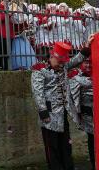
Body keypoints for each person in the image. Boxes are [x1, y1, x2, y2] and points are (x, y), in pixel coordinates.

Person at [31, 37, 94, 170]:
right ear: (52, 56)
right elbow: (38, 93)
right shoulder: (39, 70)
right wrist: (43, 113)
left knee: (66, 145)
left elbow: (77, 59)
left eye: (62, 62)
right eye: (59, 61)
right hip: (49, 116)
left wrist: (87, 46)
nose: (61, 64)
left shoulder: (63, 66)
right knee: (52, 148)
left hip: (63, 114)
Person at [68, 57, 95, 169]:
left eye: (90, 63)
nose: (88, 65)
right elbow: (72, 101)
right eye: (86, 63)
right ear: (80, 64)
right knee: (93, 142)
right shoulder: (76, 79)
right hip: (89, 118)